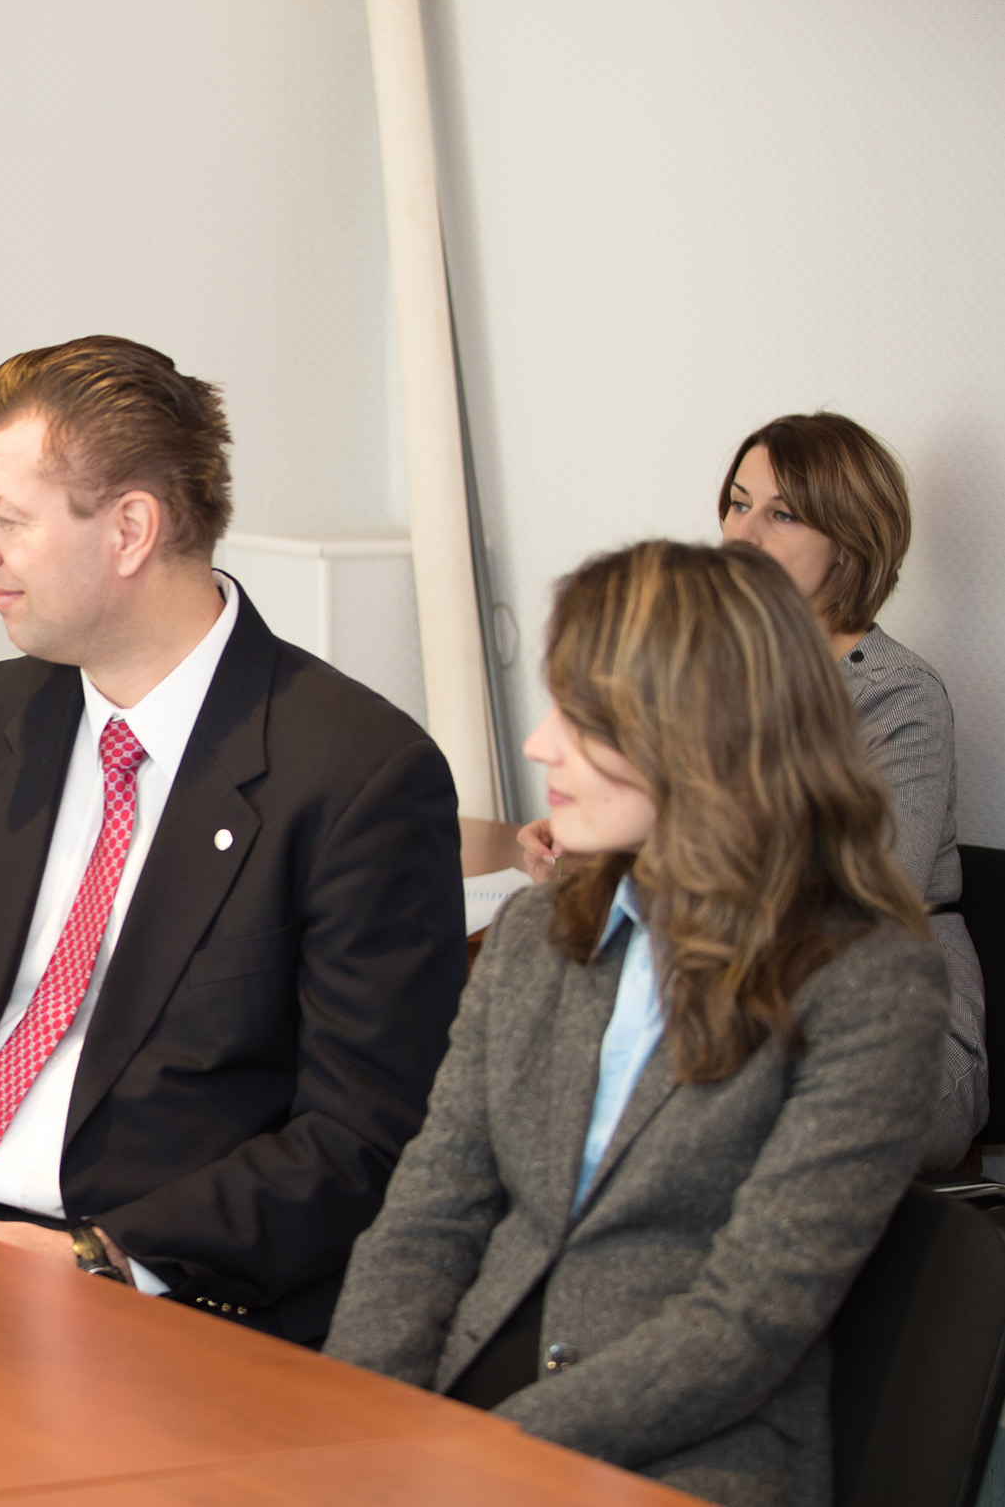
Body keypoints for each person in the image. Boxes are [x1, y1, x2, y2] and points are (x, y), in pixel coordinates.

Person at [0, 335, 469, 1343]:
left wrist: (99, 1258)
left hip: (151, 1297)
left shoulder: (354, 773)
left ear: (129, 530)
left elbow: (361, 1136)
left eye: (5, 517)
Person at [328, 540, 947, 1507]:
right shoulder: (533, 934)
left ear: (702, 734)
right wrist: (354, 1417)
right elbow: (428, 1214)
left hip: (677, 1452)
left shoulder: (869, 983)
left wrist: (471, 1455)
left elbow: (749, 1320)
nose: (539, 745)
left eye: (583, 720)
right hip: (460, 1401)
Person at [514, 413, 983, 1170]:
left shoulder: (899, 697)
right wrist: (589, 852)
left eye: (782, 514)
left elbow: (854, 905)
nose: (742, 532)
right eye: (737, 503)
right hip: (722, 979)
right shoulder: (712, 671)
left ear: (849, 541)